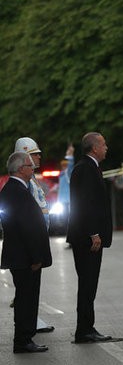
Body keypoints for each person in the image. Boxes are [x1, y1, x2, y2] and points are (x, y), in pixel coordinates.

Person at [0, 152, 52, 353]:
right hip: (25, 258)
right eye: (31, 166)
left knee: (27, 298)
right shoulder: (16, 191)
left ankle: (25, 338)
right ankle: (22, 340)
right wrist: (36, 257)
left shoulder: (16, 189)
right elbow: (26, 228)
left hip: (23, 256)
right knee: (26, 300)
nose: (33, 169)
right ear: (21, 169)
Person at [66, 132, 114, 343]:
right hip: (87, 238)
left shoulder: (90, 167)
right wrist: (93, 232)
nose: (106, 148)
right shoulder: (85, 169)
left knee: (89, 284)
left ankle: (87, 327)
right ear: (94, 148)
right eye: (103, 144)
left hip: (89, 236)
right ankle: (84, 330)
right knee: (87, 283)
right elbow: (84, 204)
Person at [13, 137, 55, 333]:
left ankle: (33, 318)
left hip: (38, 239)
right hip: (30, 243)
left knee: (34, 286)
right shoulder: (25, 183)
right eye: (34, 154)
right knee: (28, 287)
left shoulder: (33, 181)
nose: (38, 157)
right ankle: (28, 324)